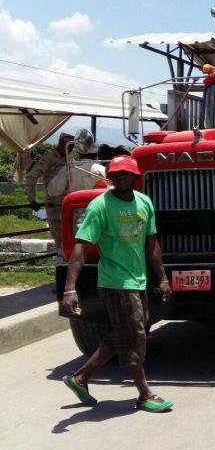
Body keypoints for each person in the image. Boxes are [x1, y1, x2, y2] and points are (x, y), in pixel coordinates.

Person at [60, 156, 173, 412]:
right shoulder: (99, 206)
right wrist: (70, 289)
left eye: (126, 173)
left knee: (126, 331)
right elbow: (81, 247)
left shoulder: (144, 202)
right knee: (134, 337)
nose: (121, 177)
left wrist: (163, 278)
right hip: (115, 282)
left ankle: (81, 377)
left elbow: (152, 244)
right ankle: (144, 394)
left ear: (135, 176)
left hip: (138, 280)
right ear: (109, 177)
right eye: (116, 174)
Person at [24, 132, 74, 264]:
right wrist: (32, 199)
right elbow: (31, 177)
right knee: (61, 242)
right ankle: (62, 270)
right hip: (55, 206)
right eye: (68, 145)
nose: (70, 149)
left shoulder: (67, 158)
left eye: (72, 146)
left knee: (70, 240)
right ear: (61, 143)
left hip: (69, 206)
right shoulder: (49, 158)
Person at [47, 129, 107, 196]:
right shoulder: (102, 170)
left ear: (79, 152)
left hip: (74, 202)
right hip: (96, 202)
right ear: (96, 154)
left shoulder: (68, 169)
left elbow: (52, 191)